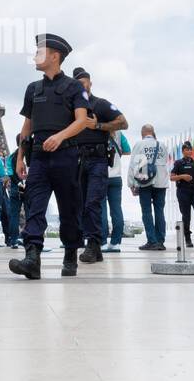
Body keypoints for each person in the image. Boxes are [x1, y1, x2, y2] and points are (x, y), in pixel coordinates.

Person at [8, 34, 92, 279]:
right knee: (35, 207)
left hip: (66, 156)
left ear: (55, 56)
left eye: (39, 52)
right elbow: (27, 125)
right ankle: (32, 257)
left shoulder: (74, 87)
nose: (35, 56)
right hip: (39, 158)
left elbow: (82, 120)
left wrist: (60, 137)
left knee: (69, 209)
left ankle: (70, 254)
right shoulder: (33, 89)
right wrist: (20, 157)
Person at [71, 67, 128, 264]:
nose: (82, 84)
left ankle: (93, 244)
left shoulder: (100, 104)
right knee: (82, 205)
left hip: (97, 160)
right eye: (78, 82)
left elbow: (123, 122)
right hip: (77, 160)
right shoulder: (70, 107)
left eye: (84, 81)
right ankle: (95, 245)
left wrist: (97, 126)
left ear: (90, 83)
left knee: (93, 202)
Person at [129, 125, 170, 250]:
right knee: (159, 211)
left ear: (142, 133)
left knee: (146, 212)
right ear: (153, 132)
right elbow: (164, 162)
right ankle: (160, 241)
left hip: (145, 182)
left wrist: (132, 184)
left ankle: (152, 241)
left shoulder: (139, 145)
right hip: (161, 182)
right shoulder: (162, 145)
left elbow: (134, 165)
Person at [171, 141, 194, 247]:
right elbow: (172, 177)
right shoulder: (178, 163)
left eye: (190, 149)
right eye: (187, 149)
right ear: (183, 151)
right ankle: (187, 238)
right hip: (183, 192)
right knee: (186, 216)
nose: (189, 151)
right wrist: (182, 176)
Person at [99, 130, 130, 252]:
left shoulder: (98, 131)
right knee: (116, 209)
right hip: (116, 177)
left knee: (101, 209)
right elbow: (127, 150)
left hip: (101, 175)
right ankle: (115, 242)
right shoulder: (119, 133)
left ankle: (103, 242)